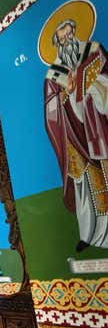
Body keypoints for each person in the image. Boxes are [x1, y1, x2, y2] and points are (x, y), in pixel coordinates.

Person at [42, 14, 108, 251]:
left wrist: (92, 84)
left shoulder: (94, 51)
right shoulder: (54, 74)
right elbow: (50, 109)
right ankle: (89, 234)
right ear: (57, 43)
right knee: (83, 185)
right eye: (63, 38)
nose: (69, 40)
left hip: (98, 126)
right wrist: (64, 96)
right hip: (72, 133)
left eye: (70, 33)